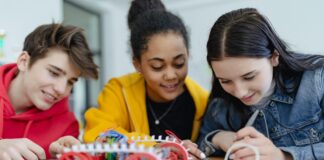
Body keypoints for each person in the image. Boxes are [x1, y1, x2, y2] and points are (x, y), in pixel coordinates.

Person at [84, 0, 208, 158]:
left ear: (188, 55)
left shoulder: (203, 101)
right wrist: (155, 147)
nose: (170, 75)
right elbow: (98, 134)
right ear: (137, 65)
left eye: (179, 63)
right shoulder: (119, 91)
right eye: (157, 66)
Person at [197, 7, 324, 160]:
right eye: (225, 81)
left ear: (274, 57)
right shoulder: (221, 104)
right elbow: (201, 146)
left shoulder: (316, 80)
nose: (239, 92)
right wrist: (218, 138)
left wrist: (283, 156)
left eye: (249, 77)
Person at [0, 23, 98, 159]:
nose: (61, 89)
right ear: (24, 62)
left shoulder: (67, 128)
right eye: (54, 73)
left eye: (70, 82)